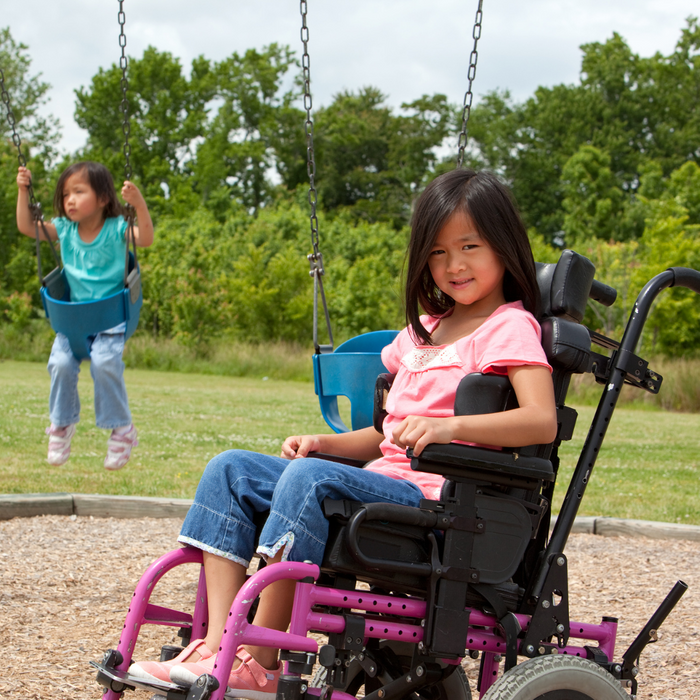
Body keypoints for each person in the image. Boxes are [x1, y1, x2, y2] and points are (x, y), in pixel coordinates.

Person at [129, 169, 558, 698]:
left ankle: (259, 660)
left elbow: (542, 420)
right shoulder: (424, 332)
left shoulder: (508, 328)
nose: (455, 265)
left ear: (504, 246)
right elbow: (386, 434)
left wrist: (452, 426)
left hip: (439, 502)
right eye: (439, 252)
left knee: (308, 480)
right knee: (230, 469)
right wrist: (326, 444)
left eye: (470, 246)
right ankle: (221, 642)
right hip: (386, 483)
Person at [16, 161, 154, 469]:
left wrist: (139, 204)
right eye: (66, 194)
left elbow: (144, 239)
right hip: (74, 321)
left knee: (105, 363)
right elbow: (27, 227)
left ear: (104, 198)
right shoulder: (64, 229)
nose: (70, 200)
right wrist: (22, 191)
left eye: (79, 191)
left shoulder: (117, 228)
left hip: (110, 320)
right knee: (61, 363)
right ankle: (61, 425)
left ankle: (122, 429)